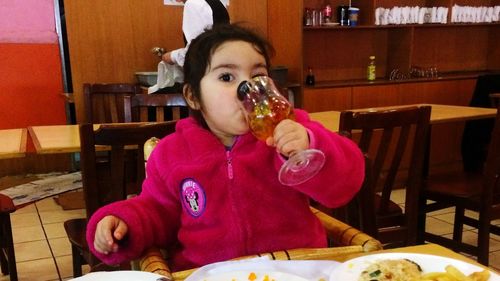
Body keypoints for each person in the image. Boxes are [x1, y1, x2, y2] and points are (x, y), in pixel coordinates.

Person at [86, 24, 365, 271]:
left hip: (295, 268)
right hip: (210, 272)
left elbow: (345, 185)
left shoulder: (293, 129)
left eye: (257, 76)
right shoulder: (172, 153)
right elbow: (157, 211)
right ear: (193, 96)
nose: (247, 88)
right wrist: (123, 222)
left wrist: (311, 144)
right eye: (227, 77)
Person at [161, 0, 229, 67]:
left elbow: (197, 48)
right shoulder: (217, 2)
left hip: (206, 65)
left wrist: (173, 57)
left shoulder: (193, 3)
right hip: (222, 60)